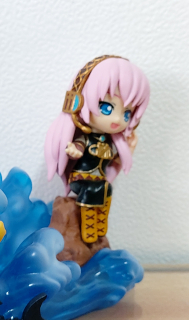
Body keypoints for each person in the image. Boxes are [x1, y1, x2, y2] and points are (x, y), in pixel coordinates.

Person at [44, 56, 150, 243]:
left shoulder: (109, 142)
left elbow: (115, 160)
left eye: (126, 113)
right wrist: (74, 151)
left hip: (98, 181)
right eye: (107, 108)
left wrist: (129, 150)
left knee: (106, 188)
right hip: (81, 179)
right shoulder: (85, 137)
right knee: (95, 188)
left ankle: (100, 224)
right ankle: (89, 227)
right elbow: (78, 146)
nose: (117, 119)